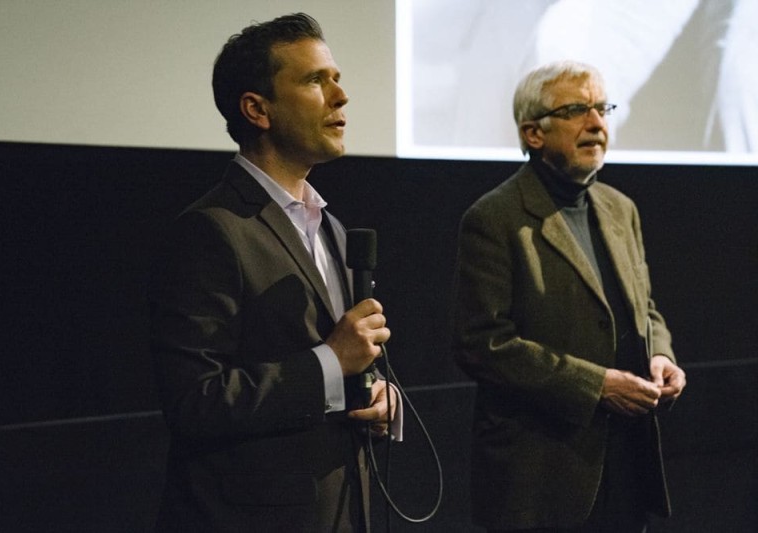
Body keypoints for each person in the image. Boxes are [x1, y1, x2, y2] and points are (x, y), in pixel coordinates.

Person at [149, 13, 397, 532]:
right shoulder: (211, 230)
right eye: (315, 80)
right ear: (257, 109)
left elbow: (347, 365)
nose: (341, 96)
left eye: (336, 77)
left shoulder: (332, 226)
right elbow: (194, 402)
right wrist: (331, 362)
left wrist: (376, 395)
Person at [451, 60, 686, 532]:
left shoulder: (622, 209)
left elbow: (646, 309)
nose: (597, 123)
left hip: (625, 463)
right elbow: (482, 345)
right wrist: (597, 385)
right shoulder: (494, 218)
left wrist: (660, 355)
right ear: (532, 133)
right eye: (577, 109)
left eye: (602, 108)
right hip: (541, 476)